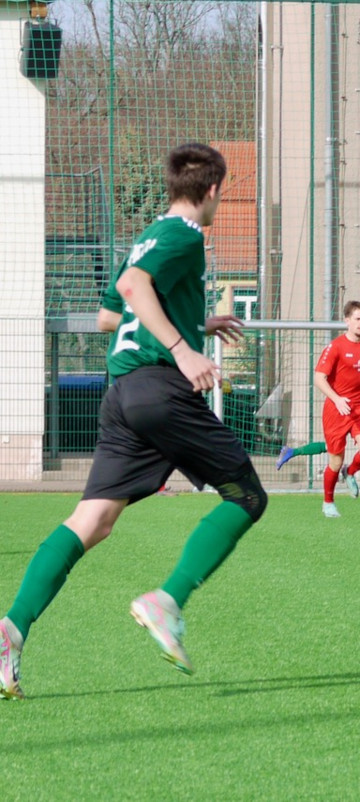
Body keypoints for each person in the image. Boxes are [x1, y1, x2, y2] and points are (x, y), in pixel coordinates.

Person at [0, 143, 268, 701]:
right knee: (246, 496)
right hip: (160, 388)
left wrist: (195, 320)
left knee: (92, 519)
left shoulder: (145, 236)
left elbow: (106, 317)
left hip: (121, 392)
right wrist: (183, 348)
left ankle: (10, 630)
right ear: (213, 190)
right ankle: (166, 601)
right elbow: (131, 291)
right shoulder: (185, 236)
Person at [279, 301, 360, 518]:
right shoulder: (335, 347)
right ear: (347, 320)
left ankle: (351, 471)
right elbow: (319, 378)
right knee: (335, 460)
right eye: (357, 319)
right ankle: (328, 502)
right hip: (336, 409)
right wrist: (337, 399)